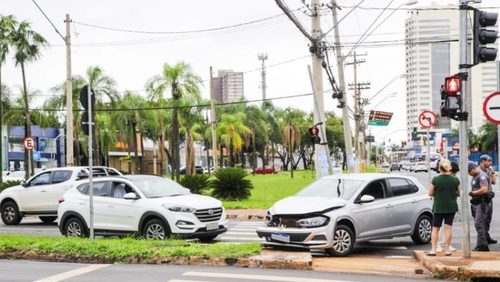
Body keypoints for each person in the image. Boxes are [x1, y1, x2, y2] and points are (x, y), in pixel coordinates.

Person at [427, 159, 460, 256]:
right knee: (448, 227)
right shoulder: (455, 179)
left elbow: (430, 193)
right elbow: (459, 193)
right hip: (451, 206)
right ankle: (447, 250)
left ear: (440, 168)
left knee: (436, 228)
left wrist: (437, 193)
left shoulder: (436, 179)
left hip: (438, 206)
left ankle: (433, 249)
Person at [436, 161, 460, 253]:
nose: (454, 175)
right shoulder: (438, 178)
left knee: (446, 227)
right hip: (440, 205)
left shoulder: (453, 179)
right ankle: (438, 245)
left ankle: (447, 245)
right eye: (453, 173)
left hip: (449, 205)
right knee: (438, 227)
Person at [468, 161, 490, 251]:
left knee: (478, 223)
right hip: (476, 203)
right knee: (479, 224)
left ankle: (483, 246)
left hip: (482, 202)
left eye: (469, 172)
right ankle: (480, 244)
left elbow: (484, 189)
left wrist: (473, 193)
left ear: (473, 169)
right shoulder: (475, 176)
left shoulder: (481, 176)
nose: (469, 174)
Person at [479, 154, 497, 244]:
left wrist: (492, 173)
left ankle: (486, 235)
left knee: (488, 217)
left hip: (489, 196)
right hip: (482, 197)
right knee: (482, 218)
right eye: (488, 161)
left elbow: (494, 182)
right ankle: (483, 238)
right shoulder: (478, 171)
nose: (490, 163)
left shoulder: (488, 170)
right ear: (483, 161)